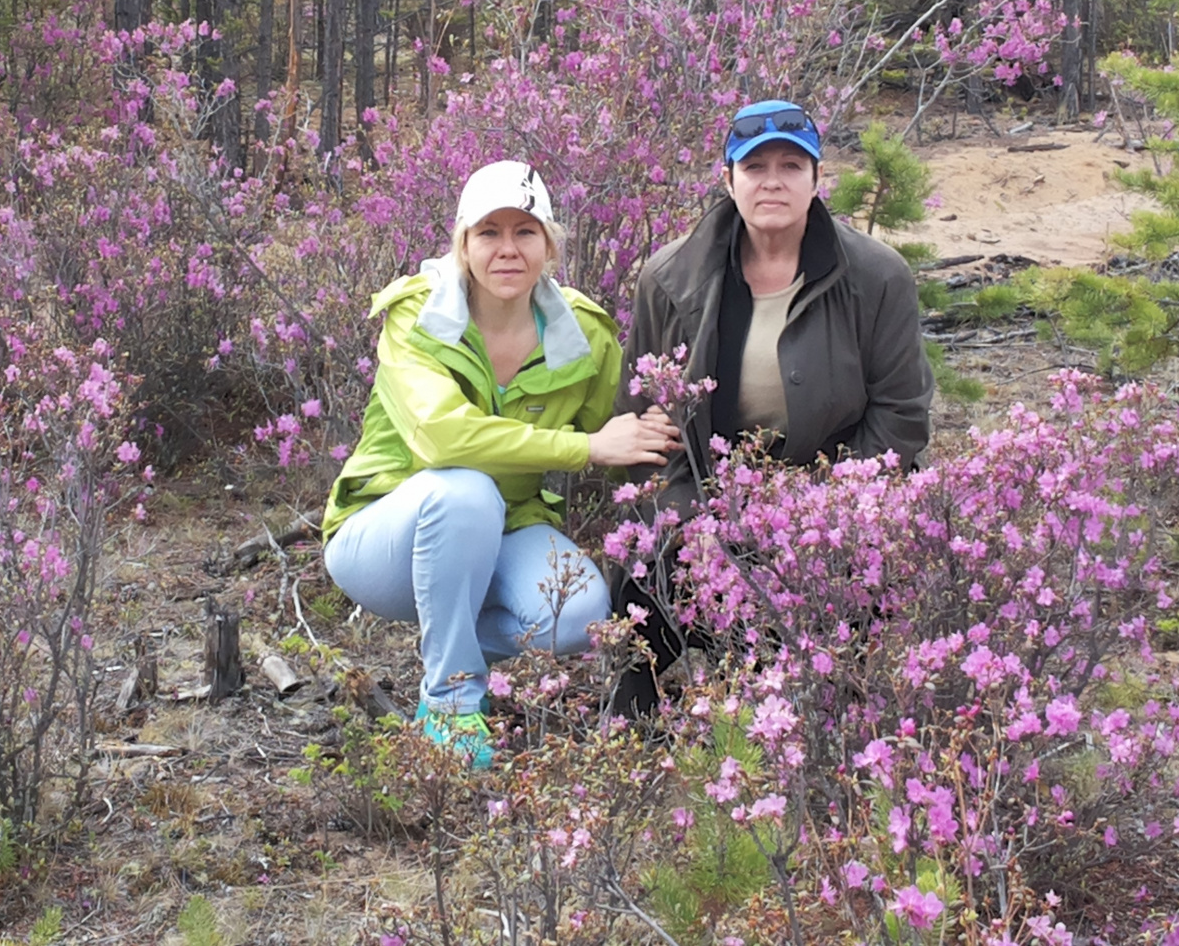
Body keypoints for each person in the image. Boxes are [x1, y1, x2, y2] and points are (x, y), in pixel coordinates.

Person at [323, 160, 680, 767]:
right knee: (464, 492)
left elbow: (621, 432)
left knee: (580, 616)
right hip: (383, 533)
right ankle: (451, 707)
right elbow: (444, 441)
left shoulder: (585, 336)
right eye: (489, 233)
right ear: (463, 244)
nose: (507, 249)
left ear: (550, 246)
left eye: (525, 232)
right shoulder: (415, 316)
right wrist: (587, 448)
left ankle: (453, 647)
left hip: (505, 527)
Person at [611, 98, 934, 711]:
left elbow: (901, 416)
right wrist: (693, 523)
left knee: (821, 658)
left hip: (835, 509)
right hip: (709, 504)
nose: (773, 182)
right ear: (727, 179)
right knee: (644, 573)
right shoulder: (670, 278)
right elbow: (645, 428)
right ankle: (633, 729)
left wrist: (818, 519)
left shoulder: (878, 276)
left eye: (792, 165)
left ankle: (807, 707)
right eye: (755, 167)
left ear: (817, 180)